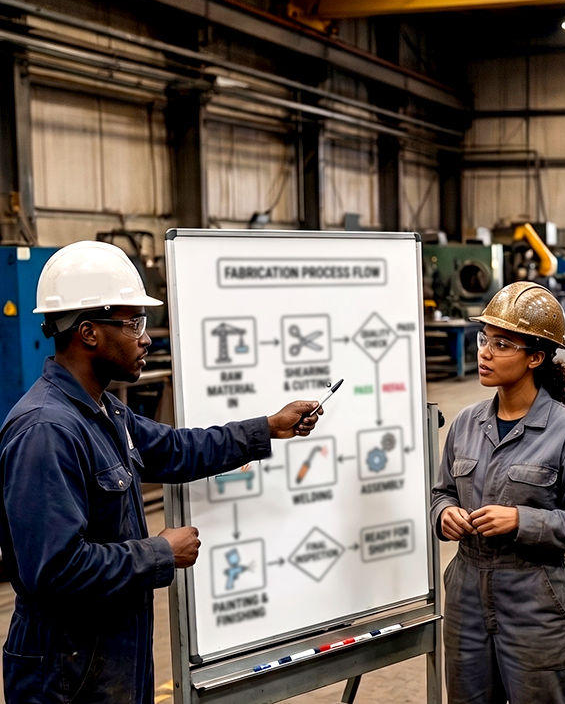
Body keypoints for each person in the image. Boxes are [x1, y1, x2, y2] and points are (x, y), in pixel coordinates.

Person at [0, 240, 323, 704]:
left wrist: (267, 428)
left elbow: (175, 449)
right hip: (65, 672)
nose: (146, 337)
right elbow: (54, 571)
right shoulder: (47, 430)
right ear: (88, 333)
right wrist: (159, 552)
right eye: (133, 323)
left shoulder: (103, 411)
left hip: (108, 653)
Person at [429, 281, 565, 704]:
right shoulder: (466, 424)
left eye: (502, 344)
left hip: (534, 603)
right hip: (467, 598)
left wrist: (520, 521)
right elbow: (440, 492)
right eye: (484, 339)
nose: (484, 352)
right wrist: (444, 513)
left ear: (535, 357)